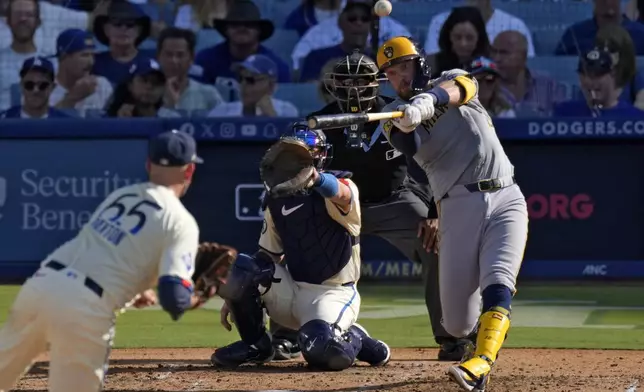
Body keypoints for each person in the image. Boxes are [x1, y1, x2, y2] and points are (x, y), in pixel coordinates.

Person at [268, 50, 470, 363]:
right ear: (333, 85)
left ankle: (452, 338)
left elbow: (435, 164)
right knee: (298, 245)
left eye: (361, 80)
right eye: (346, 81)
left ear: (374, 83)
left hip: (392, 201)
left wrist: (433, 212)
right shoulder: (319, 122)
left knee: (436, 246)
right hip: (335, 209)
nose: (354, 88)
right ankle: (285, 336)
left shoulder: (398, 113)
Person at [0, 130, 215, 392]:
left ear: (148, 164)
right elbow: (174, 299)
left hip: (41, 286)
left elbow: (101, 252)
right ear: (189, 171)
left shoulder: (122, 196)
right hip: (84, 310)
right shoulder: (181, 222)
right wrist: (196, 297)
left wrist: (136, 290)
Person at [376, 36, 529, 391]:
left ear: (421, 64)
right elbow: (405, 145)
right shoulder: (392, 119)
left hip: (506, 195)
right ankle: (474, 343)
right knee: (458, 325)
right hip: (457, 207)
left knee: (499, 281)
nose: (399, 79)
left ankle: (482, 362)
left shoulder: (451, 78)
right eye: (391, 75)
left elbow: (462, 87)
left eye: (404, 68)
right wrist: (407, 120)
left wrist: (427, 100)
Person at [212, 124, 390, 371]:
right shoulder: (275, 199)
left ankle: (357, 338)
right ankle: (256, 346)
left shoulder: (341, 185)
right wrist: (235, 293)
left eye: (305, 153)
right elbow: (267, 257)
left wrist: (315, 178)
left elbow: (342, 194)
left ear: (320, 156)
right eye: (292, 154)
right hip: (292, 292)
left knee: (324, 353)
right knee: (243, 267)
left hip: (333, 294)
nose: (297, 159)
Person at [553, 47, 644, 117]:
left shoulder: (635, 118)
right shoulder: (564, 112)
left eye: (597, 75)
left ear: (613, 75)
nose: (589, 81)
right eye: (585, 75)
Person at [425, 7, 490, 78]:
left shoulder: (490, 67)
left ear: (479, 38)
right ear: (448, 36)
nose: (463, 44)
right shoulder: (431, 64)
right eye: (457, 37)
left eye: (469, 38)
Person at [0, 56, 70, 118]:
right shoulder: (4, 120)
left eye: (42, 85)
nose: (35, 90)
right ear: (21, 86)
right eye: (29, 85)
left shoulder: (65, 123)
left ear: (52, 87)